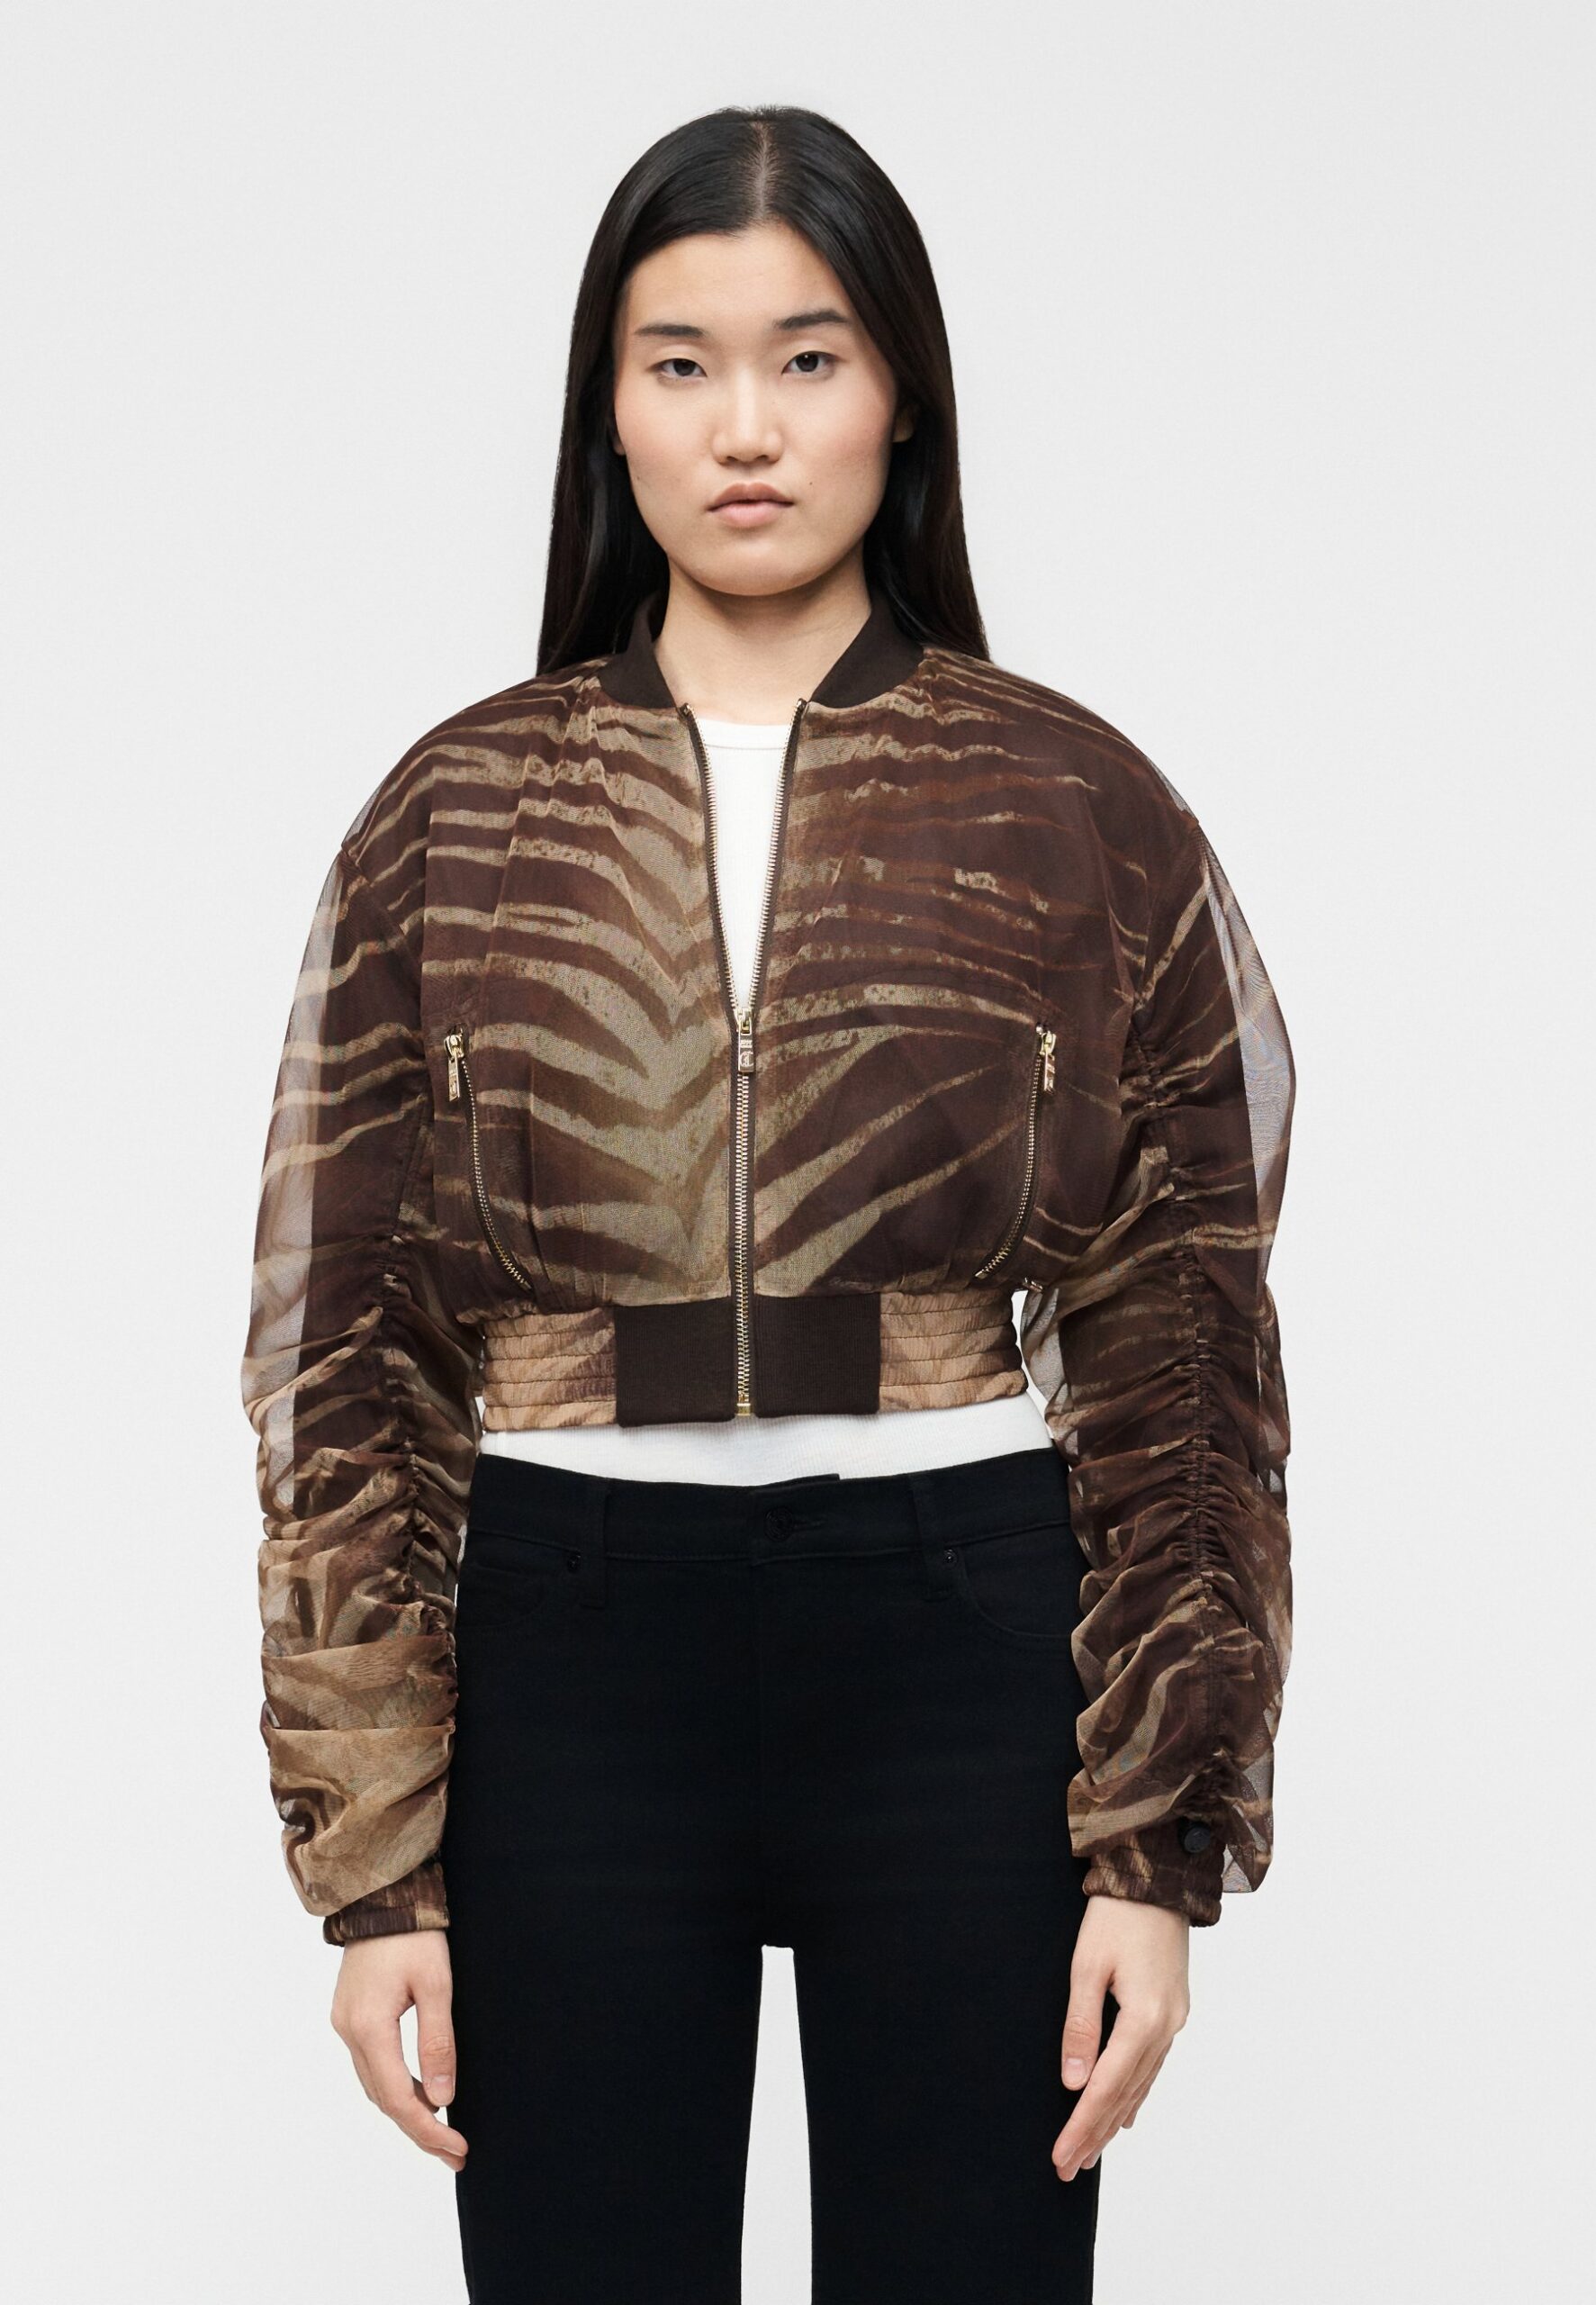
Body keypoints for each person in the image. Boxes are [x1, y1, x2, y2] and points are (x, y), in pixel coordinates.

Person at [240, 102, 1294, 2305]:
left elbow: (1180, 1334)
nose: (745, 426)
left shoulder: (1064, 799)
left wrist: (1154, 1841)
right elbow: (349, 1351)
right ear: (606, 408)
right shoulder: (459, 811)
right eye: (680, 362)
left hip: (963, 1638)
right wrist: (375, 1869)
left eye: (807, 359)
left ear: (898, 395)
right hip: (569, 1647)